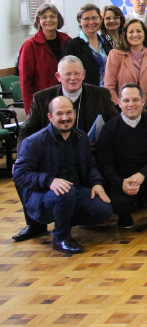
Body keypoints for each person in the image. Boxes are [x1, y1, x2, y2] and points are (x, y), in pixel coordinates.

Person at [13, 96, 113, 253]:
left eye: (68, 113)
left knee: (103, 209)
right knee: (65, 192)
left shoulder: (81, 137)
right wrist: (49, 180)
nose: (65, 118)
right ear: (50, 117)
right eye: (59, 114)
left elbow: (90, 164)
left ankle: (63, 221)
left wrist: (97, 183)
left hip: (74, 191)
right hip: (43, 194)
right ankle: (61, 238)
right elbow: (20, 174)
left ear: (74, 114)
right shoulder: (34, 142)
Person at [97, 83, 147, 232]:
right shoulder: (109, 128)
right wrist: (121, 184)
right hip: (121, 182)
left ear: (142, 101)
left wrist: (142, 175)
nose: (131, 104)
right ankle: (124, 216)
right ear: (119, 103)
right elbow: (104, 164)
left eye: (135, 100)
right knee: (120, 204)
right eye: (126, 101)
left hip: (146, 178)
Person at [20, 3, 72, 114]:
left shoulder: (67, 41)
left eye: (52, 16)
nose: (48, 20)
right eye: (44, 17)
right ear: (38, 21)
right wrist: (30, 111)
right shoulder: (30, 46)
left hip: (68, 98)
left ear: (58, 19)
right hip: (44, 101)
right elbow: (26, 82)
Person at [104, 18, 147, 111]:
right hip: (122, 112)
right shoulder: (115, 55)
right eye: (131, 31)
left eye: (139, 31)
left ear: (144, 34)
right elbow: (109, 87)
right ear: (125, 35)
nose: (135, 34)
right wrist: (119, 108)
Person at [63, 4, 113, 87]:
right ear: (80, 21)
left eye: (94, 18)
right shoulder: (72, 45)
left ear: (100, 19)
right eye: (86, 19)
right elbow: (68, 73)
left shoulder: (106, 41)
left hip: (107, 93)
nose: (91, 22)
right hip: (85, 93)